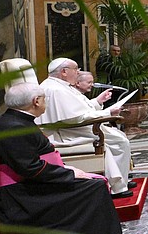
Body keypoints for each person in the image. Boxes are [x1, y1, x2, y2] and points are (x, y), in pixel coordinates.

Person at [0, 84, 139, 234]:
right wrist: (69, 175)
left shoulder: (14, 121)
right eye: (44, 99)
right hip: (19, 199)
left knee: (92, 184)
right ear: (36, 101)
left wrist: (67, 171)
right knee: (93, 188)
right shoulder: (13, 128)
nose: (45, 102)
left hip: (25, 187)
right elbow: (30, 168)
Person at [40, 57, 133, 197]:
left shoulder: (60, 86)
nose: (78, 72)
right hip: (67, 132)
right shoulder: (55, 89)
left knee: (119, 137)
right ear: (64, 71)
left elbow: (77, 109)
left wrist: (97, 101)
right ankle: (116, 186)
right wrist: (108, 112)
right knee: (119, 141)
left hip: (74, 127)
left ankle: (121, 179)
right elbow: (74, 117)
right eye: (76, 69)